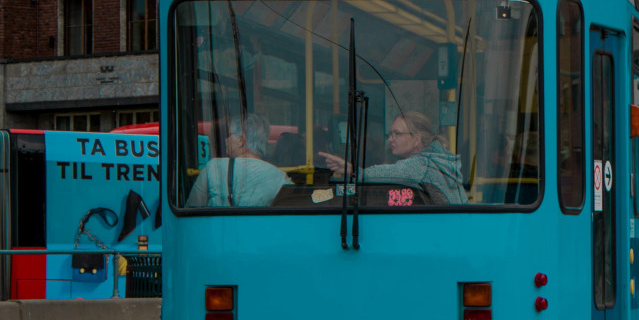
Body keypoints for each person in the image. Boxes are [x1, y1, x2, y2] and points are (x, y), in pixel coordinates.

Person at [319, 110, 467, 205]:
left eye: (397, 134)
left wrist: (354, 171)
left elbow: (390, 172)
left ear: (416, 139)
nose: (390, 139)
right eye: (390, 134)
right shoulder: (436, 160)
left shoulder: (423, 166)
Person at [186, 113, 291, 207]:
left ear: (241, 140)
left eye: (229, 135)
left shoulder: (214, 168)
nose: (226, 140)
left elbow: (191, 209)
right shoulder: (280, 177)